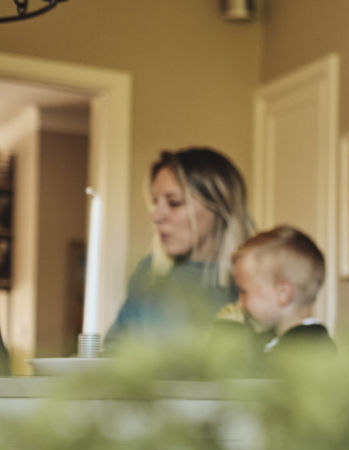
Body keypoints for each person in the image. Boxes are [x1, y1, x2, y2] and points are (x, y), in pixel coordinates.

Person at [106, 148, 255, 348]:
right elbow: (114, 350)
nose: (155, 216)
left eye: (174, 203)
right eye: (155, 202)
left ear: (220, 206)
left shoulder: (252, 279)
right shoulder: (148, 272)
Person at [230, 225, 335, 354]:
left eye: (244, 291)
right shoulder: (271, 340)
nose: (239, 303)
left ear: (282, 293)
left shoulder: (310, 346)